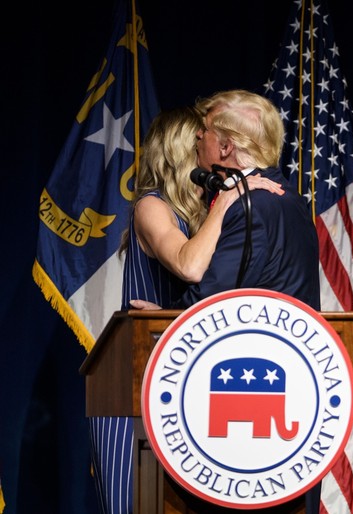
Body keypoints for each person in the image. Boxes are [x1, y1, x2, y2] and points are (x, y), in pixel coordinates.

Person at [88, 105, 284, 514]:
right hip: (134, 389)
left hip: (182, 384)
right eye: (200, 142)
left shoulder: (200, 219)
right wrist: (228, 200)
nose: (209, 151)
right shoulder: (151, 206)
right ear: (181, 151)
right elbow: (189, 266)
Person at [132, 89, 322, 512]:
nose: (196, 140)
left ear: (225, 146)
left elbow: (216, 298)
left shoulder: (250, 203)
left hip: (239, 409)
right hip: (284, 397)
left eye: (203, 132)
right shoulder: (291, 200)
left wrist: (168, 319)